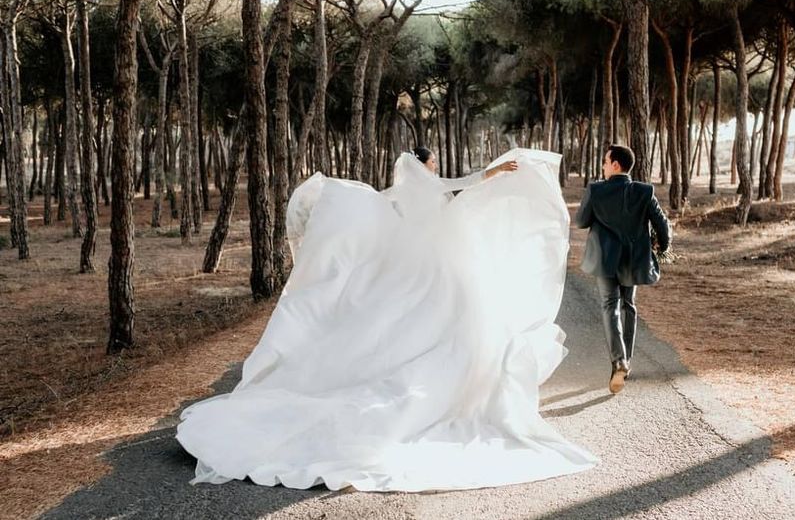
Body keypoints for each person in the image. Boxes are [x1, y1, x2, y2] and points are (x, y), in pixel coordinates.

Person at [176, 147, 598, 492]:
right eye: (430, 164)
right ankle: (450, 374)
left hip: (426, 261)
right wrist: (491, 174)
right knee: (446, 314)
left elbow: (383, 203)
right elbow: (455, 185)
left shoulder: (399, 190)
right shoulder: (423, 182)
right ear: (424, 163)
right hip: (437, 262)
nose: (432, 169)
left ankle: (443, 364)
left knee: (421, 317)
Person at [574, 145, 671, 394]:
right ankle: (625, 363)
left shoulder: (596, 190)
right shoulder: (645, 191)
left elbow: (581, 221)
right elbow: (663, 226)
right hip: (634, 259)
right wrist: (662, 246)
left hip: (605, 261)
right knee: (628, 305)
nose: (603, 166)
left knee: (610, 306)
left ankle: (619, 361)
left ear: (616, 164)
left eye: (605, 161)